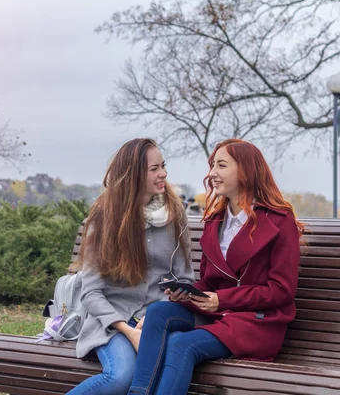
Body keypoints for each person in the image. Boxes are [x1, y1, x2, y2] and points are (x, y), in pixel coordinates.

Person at [127, 139, 304, 395]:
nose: (212, 174)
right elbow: (209, 284)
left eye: (221, 166)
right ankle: (138, 392)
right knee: (157, 312)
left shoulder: (279, 220)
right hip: (218, 315)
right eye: (212, 166)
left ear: (245, 170)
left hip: (258, 324)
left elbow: (281, 291)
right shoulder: (215, 219)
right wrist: (186, 292)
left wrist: (221, 300)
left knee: (181, 344)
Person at [68, 138, 194, 395]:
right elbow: (90, 292)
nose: (164, 174)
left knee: (157, 374)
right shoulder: (104, 219)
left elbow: (185, 278)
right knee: (121, 376)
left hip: (155, 321)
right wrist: (129, 331)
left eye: (163, 166)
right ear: (134, 175)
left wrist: (177, 296)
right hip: (112, 321)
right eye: (155, 169)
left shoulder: (175, 214)